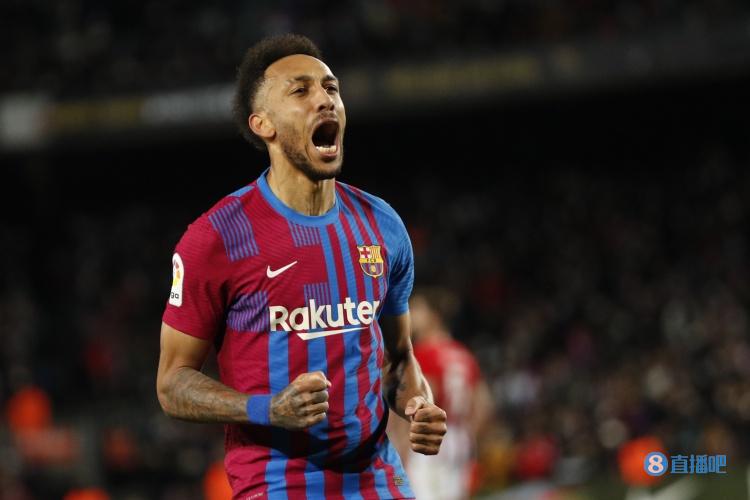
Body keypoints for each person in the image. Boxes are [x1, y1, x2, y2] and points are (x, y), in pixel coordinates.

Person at [155, 34, 447, 499]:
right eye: (301, 90)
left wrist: (417, 404)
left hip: (376, 479)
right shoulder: (217, 238)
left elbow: (399, 358)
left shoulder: (383, 226)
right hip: (277, 483)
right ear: (263, 124)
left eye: (331, 88)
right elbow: (172, 384)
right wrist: (268, 409)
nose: (325, 100)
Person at [388, 289, 492, 500]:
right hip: (459, 439)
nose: (410, 315)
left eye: (417, 309)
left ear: (434, 316)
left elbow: (418, 403)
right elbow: (484, 405)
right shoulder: (463, 354)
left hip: (427, 441)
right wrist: (468, 438)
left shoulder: (423, 353)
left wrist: (401, 446)